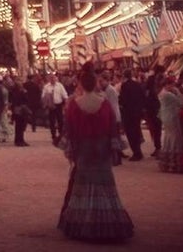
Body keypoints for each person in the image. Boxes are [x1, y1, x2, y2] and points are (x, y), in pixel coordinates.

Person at [58, 70, 134, 242]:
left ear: (81, 84)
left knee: (84, 186)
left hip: (83, 150)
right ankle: (109, 221)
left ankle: (83, 222)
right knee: (105, 185)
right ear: (96, 84)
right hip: (101, 151)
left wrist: (70, 150)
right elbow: (113, 128)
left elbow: (69, 132)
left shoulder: (74, 105)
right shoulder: (105, 104)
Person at [156, 75, 183, 173]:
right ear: (168, 85)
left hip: (165, 117)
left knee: (168, 138)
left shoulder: (162, 93)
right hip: (172, 117)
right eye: (172, 85)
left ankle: (167, 161)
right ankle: (174, 162)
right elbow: (181, 103)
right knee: (175, 138)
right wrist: (178, 92)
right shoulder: (168, 94)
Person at [118, 69, 146, 161]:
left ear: (124, 76)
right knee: (137, 131)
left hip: (128, 113)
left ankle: (136, 152)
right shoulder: (137, 84)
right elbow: (143, 96)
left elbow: (123, 100)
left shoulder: (125, 86)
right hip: (137, 112)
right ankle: (139, 151)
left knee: (131, 133)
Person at [144, 65, 165, 156]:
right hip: (157, 106)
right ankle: (158, 147)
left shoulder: (152, 79)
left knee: (155, 128)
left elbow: (146, 93)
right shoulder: (161, 79)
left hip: (153, 106)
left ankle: (158, 147)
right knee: (157, 128)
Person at [42, 73, 68, 146]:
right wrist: (46, 100)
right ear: (49, 79)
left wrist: (66, 102)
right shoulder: (46, 87)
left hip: (58, 105)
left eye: (53, 78)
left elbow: (64, 94)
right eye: (51, 78)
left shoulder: (60, 86)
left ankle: (60, 134)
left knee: (60, 120)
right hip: (51, 106)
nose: (52, 79)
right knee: (52, 121)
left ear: (56, 78)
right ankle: (53, 135)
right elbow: (43, 96)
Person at [10, 81, 31, 147]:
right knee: (21, 126)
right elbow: (25, 100)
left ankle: (18, 140)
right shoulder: (21, 92)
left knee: (18, 126)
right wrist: (25, 93)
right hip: (21, 110)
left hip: (16, 110)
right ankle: (20, 140)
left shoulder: (13, 92)